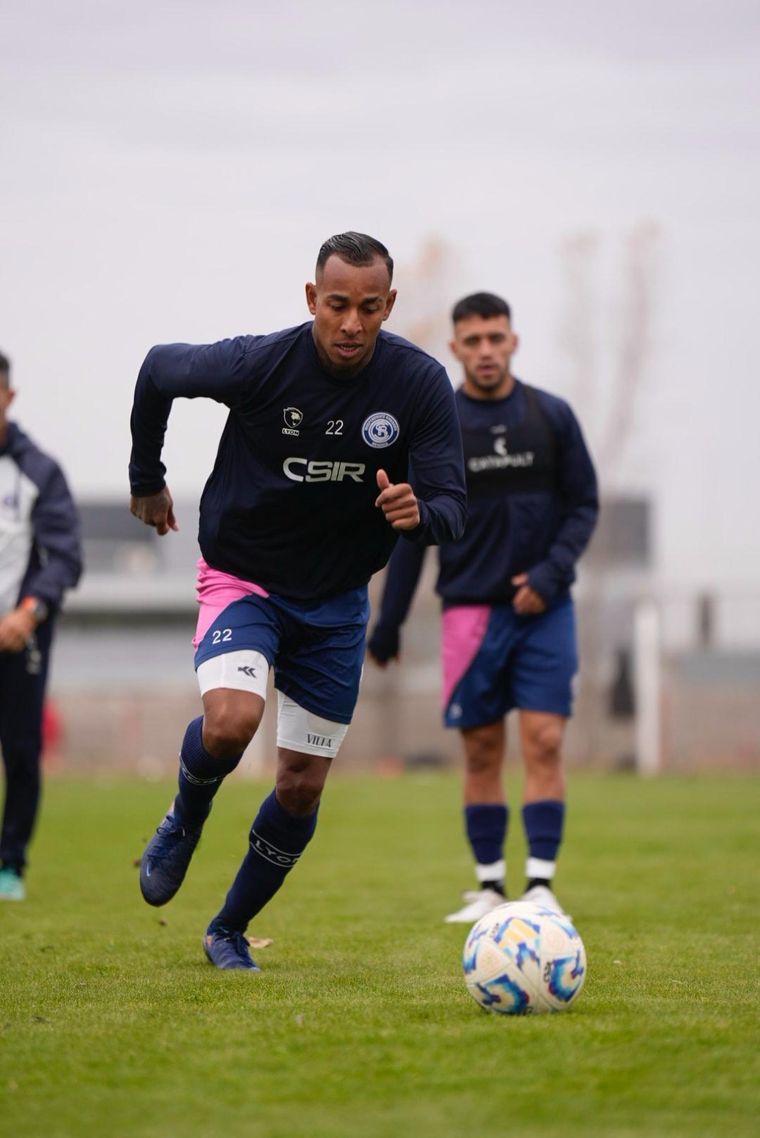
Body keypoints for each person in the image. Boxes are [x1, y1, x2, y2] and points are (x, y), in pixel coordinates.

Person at [129, 232, 467, 970]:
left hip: (337, 604)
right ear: (312, 298)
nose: (351, 323)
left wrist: (422, 512)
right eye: (337, 305)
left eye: (368, 308)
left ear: (389, 306)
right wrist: (145, 476)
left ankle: (227, 929)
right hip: (243, 578)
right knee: (231, 723)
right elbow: (159, 369)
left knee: (302, 785)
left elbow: (451, 506)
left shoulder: (418, 386)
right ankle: (186, 816)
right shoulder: (259, 363)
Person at [367, 292, 598, 923]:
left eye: (496, 338)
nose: (486, 351)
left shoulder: (551, 417)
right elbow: (415, 530)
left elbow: (583, 506)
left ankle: (542, 885)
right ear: (456, 348)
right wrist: (386, 624)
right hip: (468, 611)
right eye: (473, 341)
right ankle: (492, 886)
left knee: (546, 740)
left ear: (513, 342)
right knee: (481, 751)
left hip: (544, 610)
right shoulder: (441, 428)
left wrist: (551, 574)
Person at [0, 351, 83, 901]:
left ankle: (10, 864)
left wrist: (29, 611)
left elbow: (64, 557)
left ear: (8, 396)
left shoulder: (38, 472)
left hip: (19, 634)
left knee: (21, 750)